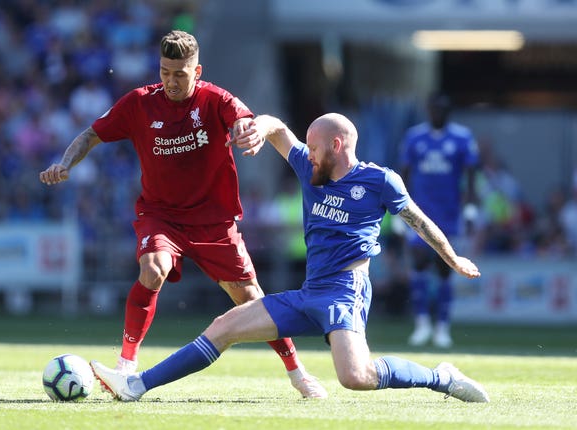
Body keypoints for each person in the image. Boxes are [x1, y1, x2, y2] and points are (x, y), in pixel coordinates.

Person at [90, 112, 490, 403]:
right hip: (309, 291)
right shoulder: (308, 167)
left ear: (336, 145)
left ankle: (441, 377)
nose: (306, 155)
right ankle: (136, 386)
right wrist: (257, 128)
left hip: (344, 292)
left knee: (356, 377)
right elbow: (278, 128)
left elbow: (419, 221)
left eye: (313, 148)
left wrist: (452, 258)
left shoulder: (379, 180)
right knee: (224, 326)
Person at [39, 30, 326, 399]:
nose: (171, 82)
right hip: (161, 216)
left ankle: (298, 374)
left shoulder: (215, 99)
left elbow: (242, 117)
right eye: (164, 72)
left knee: (251, 299)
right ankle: (125, 368)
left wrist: (245, 129)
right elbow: (90, 135)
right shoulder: (139, 103)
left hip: (213, 221)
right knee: (152, 268)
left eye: (180, 74)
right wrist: (65, 163)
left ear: (197, 70)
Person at [400, 93, 479, 348]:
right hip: (419, 213)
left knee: (446, 266)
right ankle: (422, 323)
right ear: (428, 110)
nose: (437, 113)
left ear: (448, 111)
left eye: (442, 109)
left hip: (449, 213)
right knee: (420, 263)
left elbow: (470, 176)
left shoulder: (461, 137)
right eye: (433, 108)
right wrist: (400, 212)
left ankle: (443, 326)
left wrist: (470, 208)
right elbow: (404, 175)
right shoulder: (414, 137)